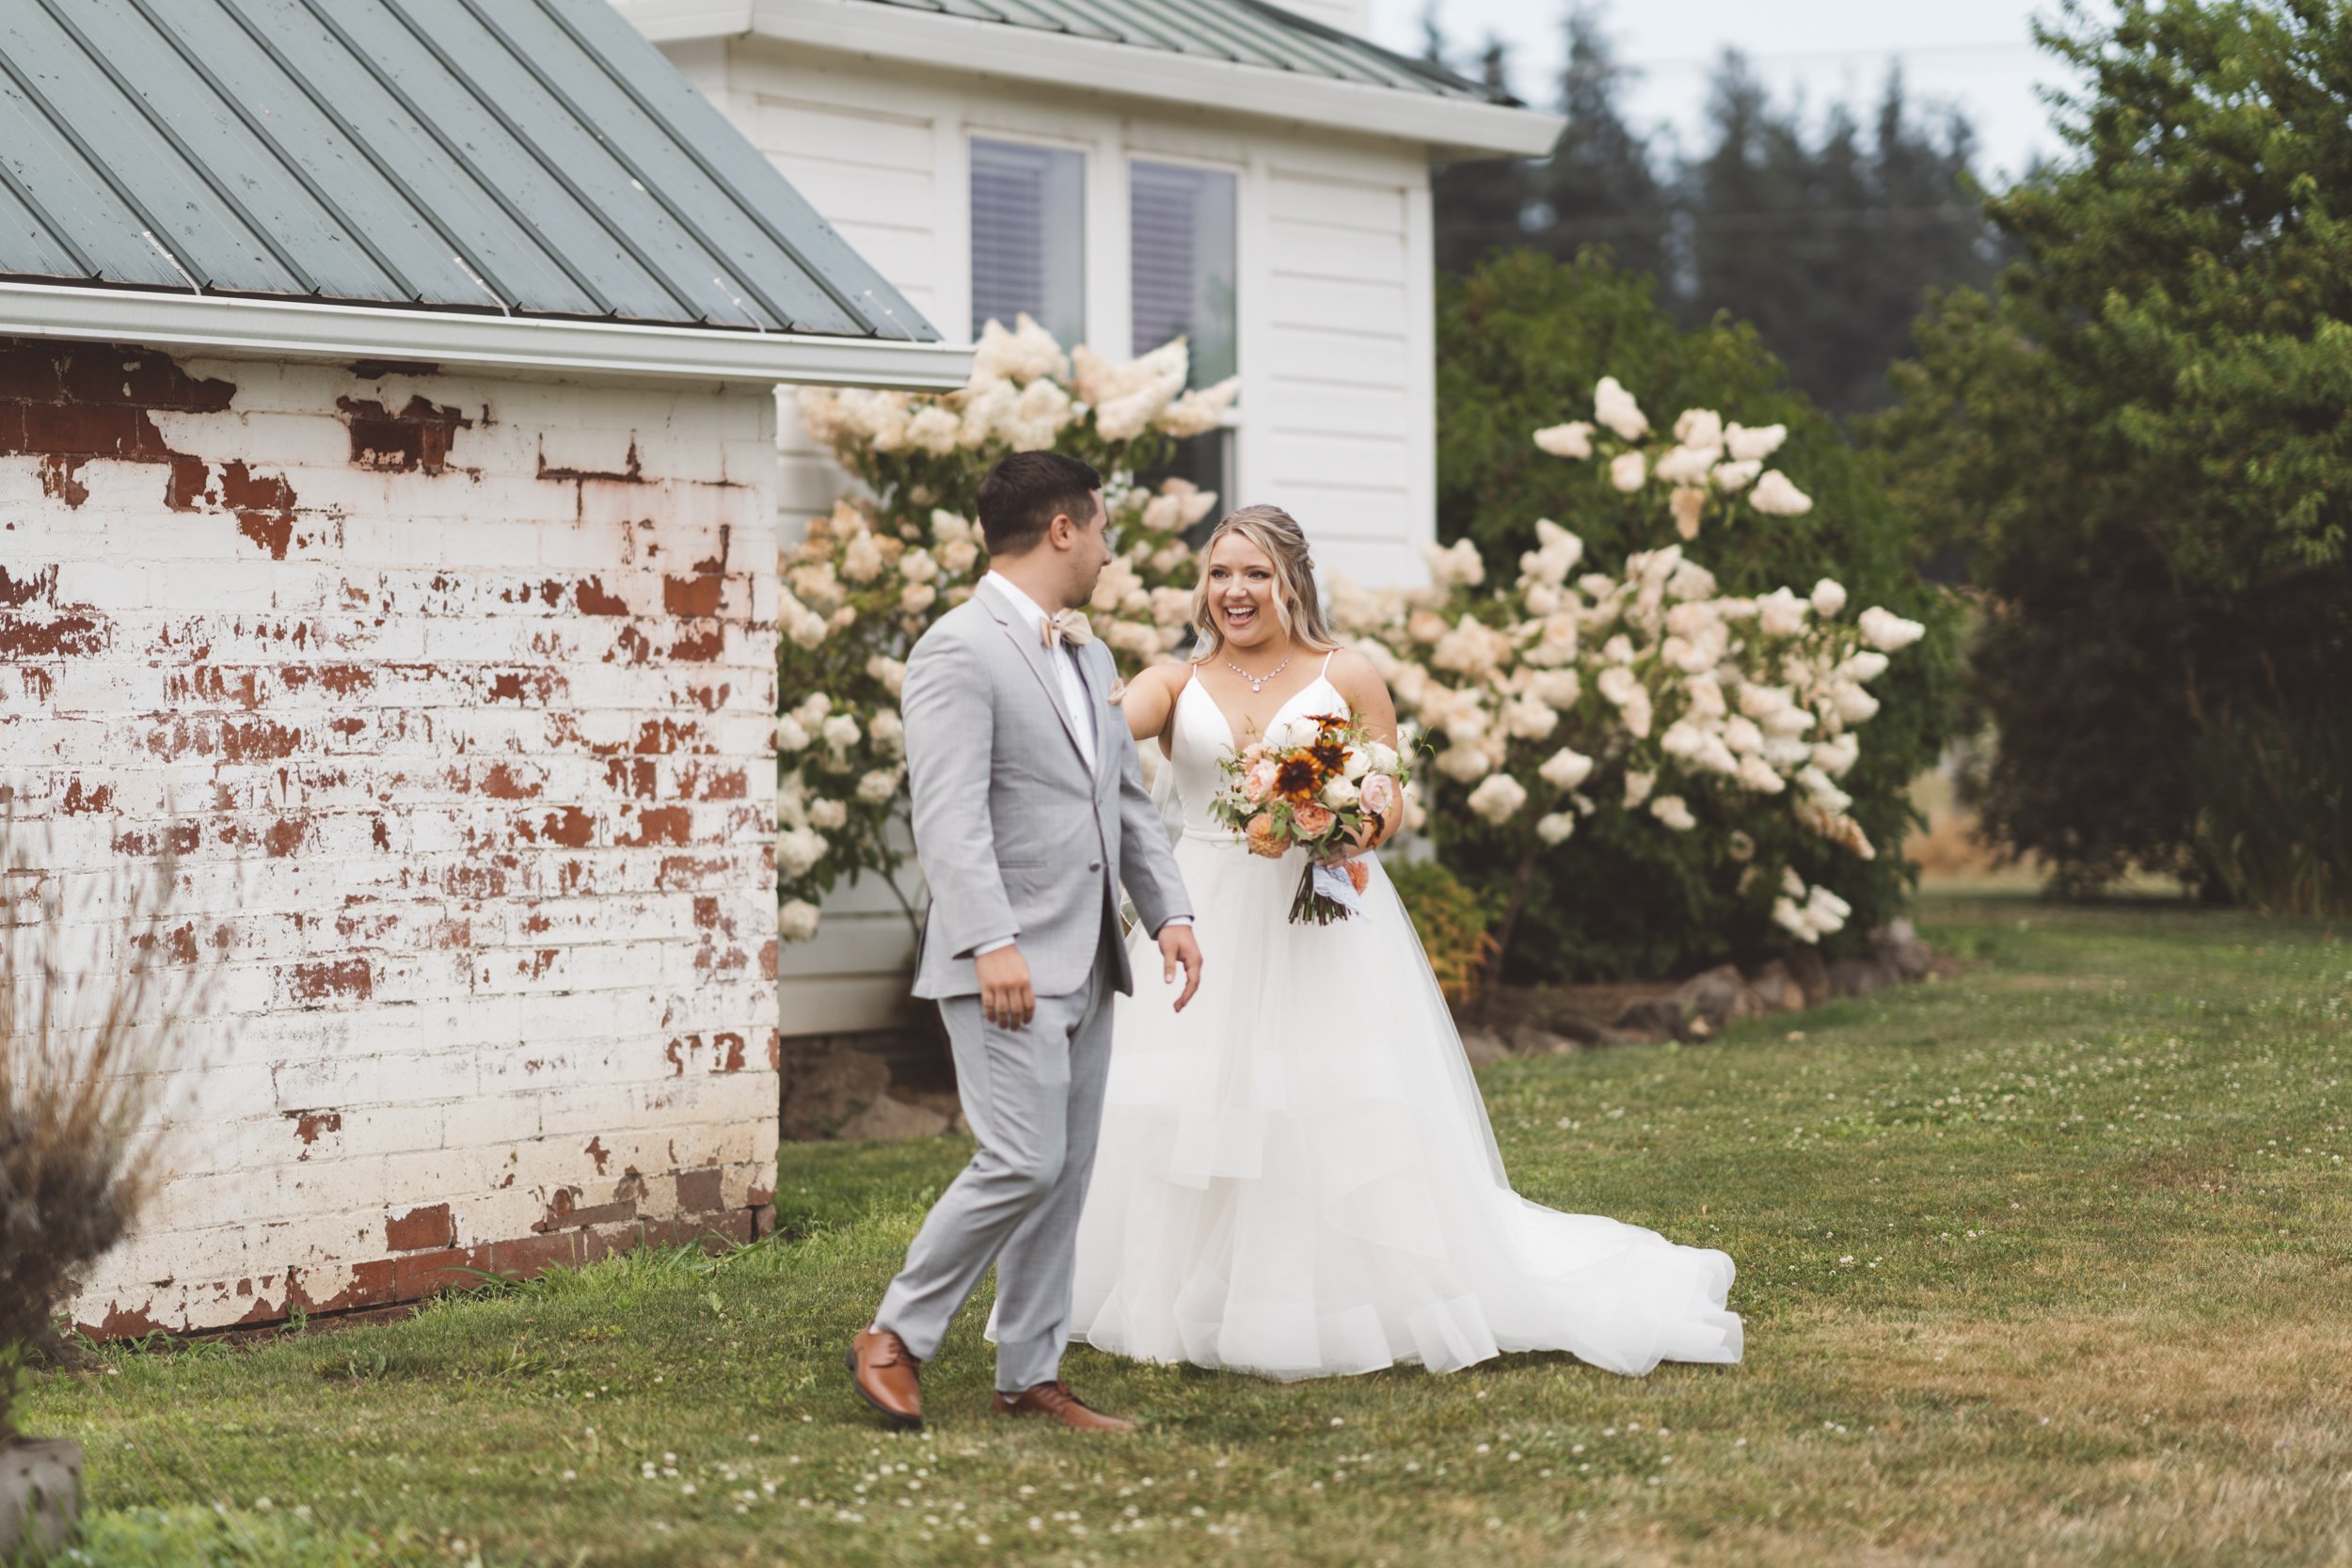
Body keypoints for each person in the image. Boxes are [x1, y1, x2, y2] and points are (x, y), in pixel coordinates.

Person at [1072, 504, 1742, 1381]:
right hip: (1199, 910)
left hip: (1316, 912)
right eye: (1221, 572)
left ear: (1292, 582)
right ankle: (1183, 1291)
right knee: (1179, 1101)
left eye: (1255, 573)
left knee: (1324, 1098)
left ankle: (1322, 1299)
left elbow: (1389, 791)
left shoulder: (1345, 671)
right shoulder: (1176, 680)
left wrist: (1354, 824)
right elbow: (1102, 727)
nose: (1235, 590)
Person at [847, 451, 1203, 1433]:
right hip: (1002, 960)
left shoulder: (1087, 654)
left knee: (1068, 1168)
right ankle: (894, 1333)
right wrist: (989, 939)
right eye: (1101, 528)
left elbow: (1121, 800)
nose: (1106, 547)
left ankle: (1027, 1370)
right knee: (1021, 1158)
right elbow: (948, 816)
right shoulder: (956, 649)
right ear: (1061, 528)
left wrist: (1168, 912)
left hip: (1089, 956)